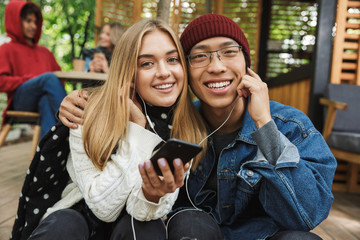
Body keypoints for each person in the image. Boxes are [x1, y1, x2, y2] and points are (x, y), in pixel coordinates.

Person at [58, 14, 336, 240]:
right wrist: (83, 100)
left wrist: (265, 126)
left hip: (262, 236)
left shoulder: (291, 126)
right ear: (186, 72)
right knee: (190, 221)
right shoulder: (173, 123)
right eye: (200, 56)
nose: (216, 67)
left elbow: (307, 217)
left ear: (246, 64)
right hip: (192, 232)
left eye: (229, 52)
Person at [25, 19, 209, 240]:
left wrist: (151, 196)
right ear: (128, 70)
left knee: (144, 227)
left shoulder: (186, 126)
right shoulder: (87, 113)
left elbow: (142, 212)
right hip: (83, 214)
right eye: (147, 63)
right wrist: (136, 130)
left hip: (136, 223)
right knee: (64, 226)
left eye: (172, 59)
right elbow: (103, 209)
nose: (164, 72)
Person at [0, 1, 67, 138]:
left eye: (35, 22)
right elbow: (1, 82)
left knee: (45, 100)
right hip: (21, 101)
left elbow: (60, 80)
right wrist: (31, 79)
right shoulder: (7, 49)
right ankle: (75, 126)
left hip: (42, 100)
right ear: (16, 21)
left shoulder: (45, 52)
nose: (33, 26)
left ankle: (48, 155)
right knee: (48, 78)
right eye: (28, 21)